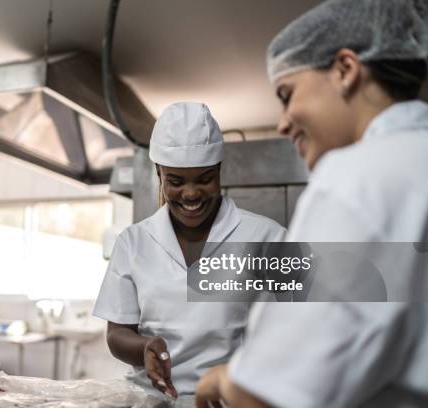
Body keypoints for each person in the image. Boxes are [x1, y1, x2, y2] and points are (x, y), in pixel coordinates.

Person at [195, 0, 428, 407]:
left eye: (287, 95)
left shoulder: (356, 177)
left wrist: (225, 381)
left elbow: (270, 396)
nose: (282, 121)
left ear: (345, 70)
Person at [93, 102, 286, 399]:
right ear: (159, 174)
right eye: (176, 181)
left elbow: (302, 329)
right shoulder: (133, 242)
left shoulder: (267, 238)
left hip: (233, 400)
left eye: (205, 179)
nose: (191, 193)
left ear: (220, 170)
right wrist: (143, 347)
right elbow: (117, 333)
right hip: (152, 401)